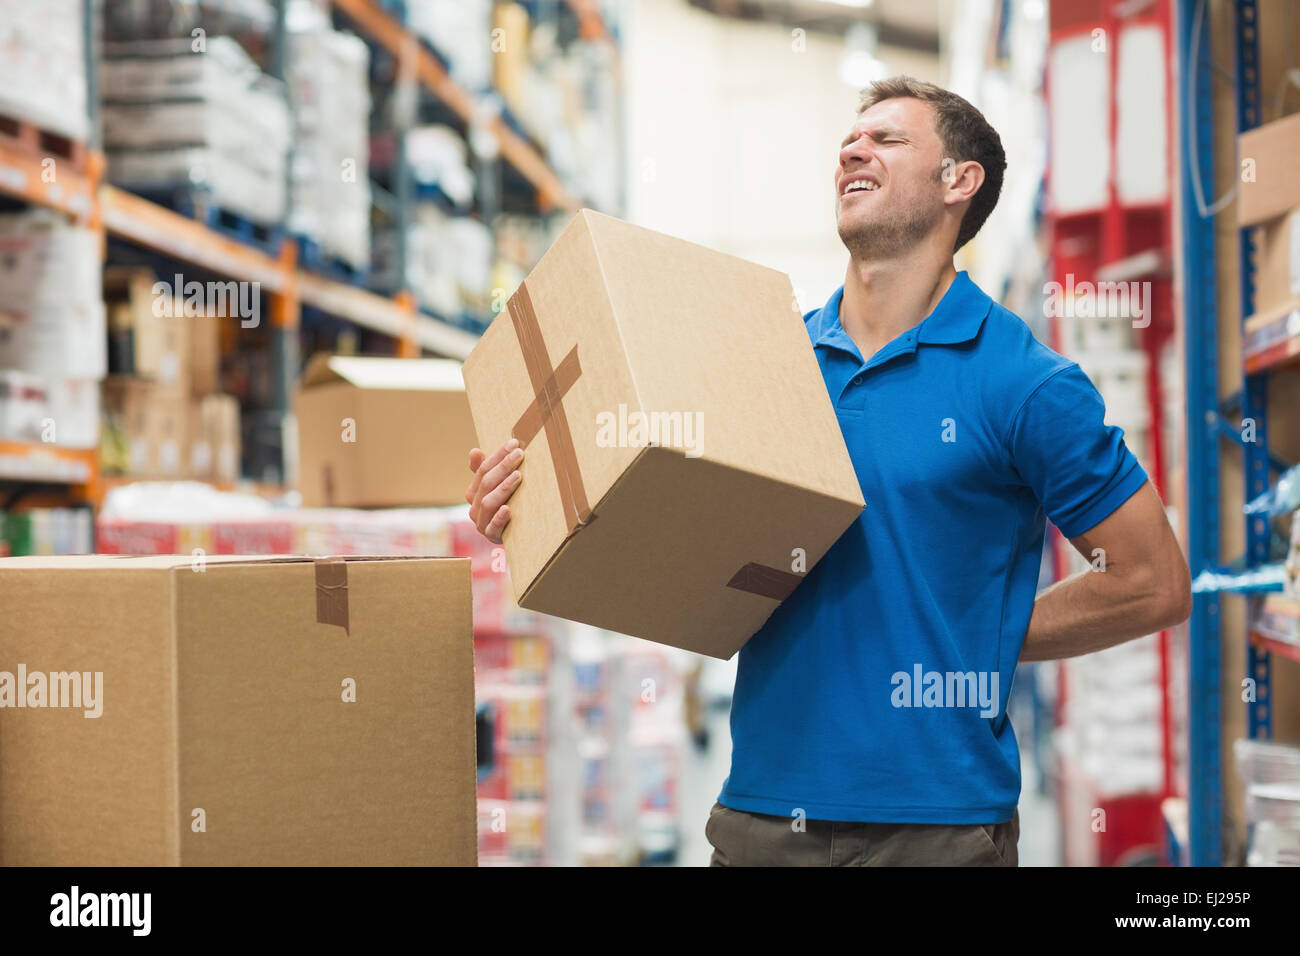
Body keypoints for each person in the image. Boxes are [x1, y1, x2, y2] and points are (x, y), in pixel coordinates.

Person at [465, 76, 1192, 866]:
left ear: (960, 181)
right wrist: (529, 506)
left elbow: (1151, 581)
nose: (854, 147)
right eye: (851, 137)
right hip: (761, 815)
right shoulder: (769, 366)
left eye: (888, 138)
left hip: (940, 829)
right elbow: (671, 535)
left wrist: (977, 639)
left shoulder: (1025, 381)